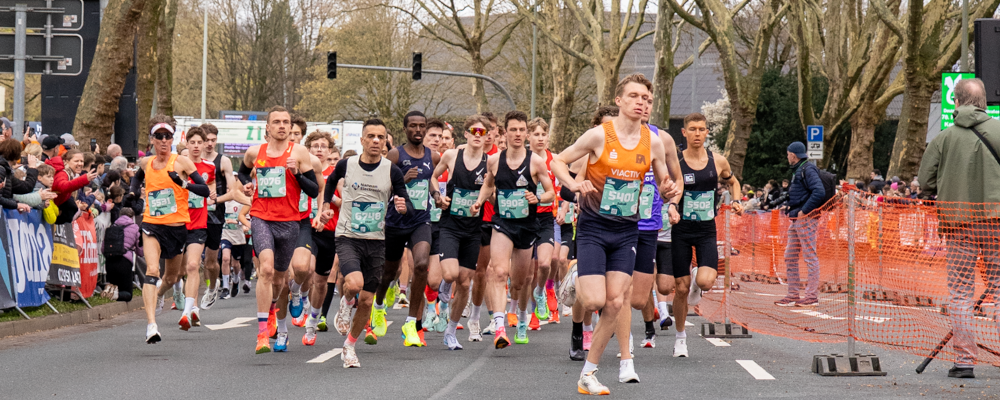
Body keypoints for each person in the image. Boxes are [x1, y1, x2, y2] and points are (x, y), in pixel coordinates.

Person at [552, 74, 678, 393]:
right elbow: (558, 161)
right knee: (594, 299)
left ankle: (589, 373)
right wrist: (572, 184)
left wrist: (669, 191)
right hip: (594, 228)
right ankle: (578, 274)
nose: (641, 102)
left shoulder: (655, 141)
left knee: (615, 302)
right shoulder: (598, 135)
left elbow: (664, 185)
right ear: (620, 101)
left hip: (626, 232)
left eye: (647, 99)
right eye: (634, 96)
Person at [918, 78, 1000, 379]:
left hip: (958, 224)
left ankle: (965, 360)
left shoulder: (944, 138)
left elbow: (925, 182)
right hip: (996, 221)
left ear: (956, 101)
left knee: (961, 293)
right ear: (984, 102)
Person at [321, 118, 411, 368]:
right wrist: (327, 205)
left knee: (367, 300)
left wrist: (403, 207)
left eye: (380, 137)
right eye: (370, 136)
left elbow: (405, 202)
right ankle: (346, 299)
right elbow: (329, 183)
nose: (375, 141)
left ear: (385, 142)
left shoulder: (392, 171)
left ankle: (349, 346)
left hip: (376, 239)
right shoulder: (346, 164)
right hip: (348, 236)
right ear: (361, 140)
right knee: (354, 283)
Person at [237, 106, 318, 354]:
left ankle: (273, 307)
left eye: (286, 122)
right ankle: (262, 333)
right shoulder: (255, 153)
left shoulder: (300, 153)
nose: (282, 126)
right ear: (268, 128)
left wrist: (296, 173)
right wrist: (247, 185)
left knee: (281, 278)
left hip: (290, 221)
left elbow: (313, 190)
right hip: (261, 217)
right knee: (267, 268)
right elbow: (242, 172)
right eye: (277, 122)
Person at [470, 110, 554, 348]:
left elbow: (550, 193)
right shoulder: (494, 160)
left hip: (526, 227)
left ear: (526, 133)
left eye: (521, 130)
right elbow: (488, 186)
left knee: (519, 281)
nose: (518, 134)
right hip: (502, 223)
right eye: (513, 130)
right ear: (505, 133)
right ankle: (499, 326)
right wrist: (479, 201)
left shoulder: (536, 162)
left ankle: (523, 316)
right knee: (497, 272)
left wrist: (537, 198)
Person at [131, 114, 211, 344]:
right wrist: (133, 193)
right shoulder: (146, 163)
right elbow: (137, 178)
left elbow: (204, 190)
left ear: (173, 139)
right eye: (159, 136)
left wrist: (183, 184)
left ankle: (156, 298)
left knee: (172, 276)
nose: (164, 140)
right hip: (152, 225)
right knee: (152, 270)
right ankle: (151, 325)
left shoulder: (182, 162)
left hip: (176, 228)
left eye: (168, 136)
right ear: (152, 140)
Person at [669, 112, 742, 359]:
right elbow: (663, 187)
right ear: (684, 132)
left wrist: (737, 201)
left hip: (706, 230)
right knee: (680, 289)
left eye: (701, 129)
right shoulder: (676, 162)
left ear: (707, 132)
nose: (697, 133)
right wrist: (669, 202)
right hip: (680, 228)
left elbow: (733, 183)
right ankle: (680, 338)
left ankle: (696, 274)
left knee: (706, 282)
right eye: (693, 129)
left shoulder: (718, 161)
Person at [370, 111, 439, 347]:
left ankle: (411, 323)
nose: (418, 130)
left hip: (420, 219)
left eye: (422, 126)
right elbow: (380, 187)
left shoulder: (433, 156)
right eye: (413, 126)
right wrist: (403, 181)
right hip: (395, 222)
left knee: (421, 265)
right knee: (389, 272)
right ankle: (378, 307)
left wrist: (436, 194)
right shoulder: (395, 155)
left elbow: (429, 179)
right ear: (405, 129)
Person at [431, 114, 490, 348]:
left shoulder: (491, 162)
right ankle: (444, 294)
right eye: (473, 131)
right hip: (450, 225)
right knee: (449, 275)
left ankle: (450, 331)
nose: (478, 136)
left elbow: (493, 194)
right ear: (465, 134)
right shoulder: (451, 156)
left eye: (482, 132)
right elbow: (433, 178)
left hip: (473, 229)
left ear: (486, 137)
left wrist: (484, 195)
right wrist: (438, 196)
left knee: (465, 283)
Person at [774, 142, 826, 308]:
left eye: (788, 154)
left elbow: (819, 191)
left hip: (804, 218)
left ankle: (811, 295)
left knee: (809, 255)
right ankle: (793, 293)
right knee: (790, 255)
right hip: (798, 217)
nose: (787, 157)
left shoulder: (806, 170)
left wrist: (804, 211)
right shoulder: (802, 169)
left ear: (793, 155)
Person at [176, 126, 216, 330]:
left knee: (192, 266)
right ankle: (178, 292)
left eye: (200, 142)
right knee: (177, 271)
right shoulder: (177, 166)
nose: (197, 146)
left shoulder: (209, 167)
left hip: (199, 223)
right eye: (192, 142)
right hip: (178, 222)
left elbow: (212, 189)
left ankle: (189, 311)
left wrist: (213, 195)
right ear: (187, 145)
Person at [302, 130, 338, 346]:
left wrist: (334, 199)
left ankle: (313, 319)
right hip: (307, 226)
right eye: (315, 146)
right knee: (306, 267)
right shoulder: (303, 170)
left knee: (322, 281)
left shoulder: (337, 173)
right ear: (308, 150)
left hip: (330, 231)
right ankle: (301, 298)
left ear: (330, 150)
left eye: (323, 146)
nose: (319, 150)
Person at [199, 123, 238, 307]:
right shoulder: (191, 159)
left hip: (215, 215)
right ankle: (187, 297)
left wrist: (217, 200)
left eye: (213, 140)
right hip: (194, 213)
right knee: (190, 261)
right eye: (206, 140)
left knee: (210, 261)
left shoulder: (223, 161)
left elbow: (233, 192)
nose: (209, 144)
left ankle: (212, 287)